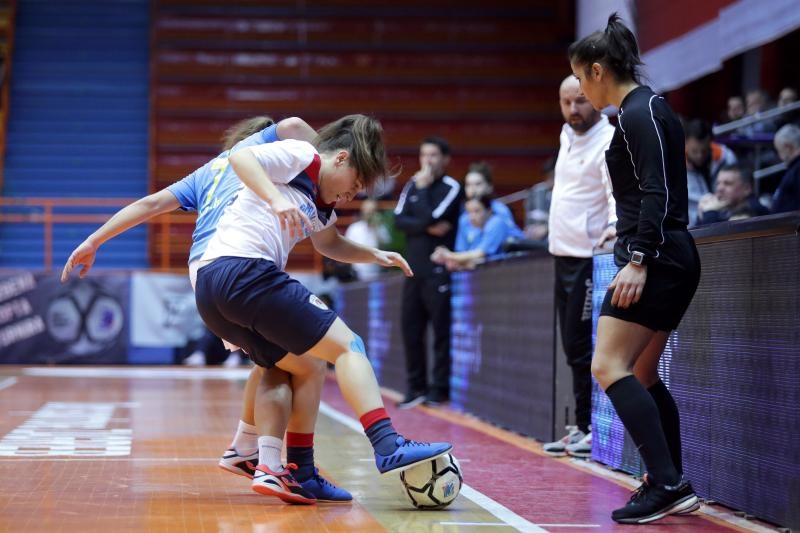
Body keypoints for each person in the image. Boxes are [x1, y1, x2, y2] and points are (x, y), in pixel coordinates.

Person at [61, 116, 357, 503]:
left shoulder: (207, 171)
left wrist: (94, 239)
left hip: (204, 276)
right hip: (237, 266)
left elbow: (151, 203)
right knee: (307, 361)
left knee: (273, 361)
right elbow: (295, 126)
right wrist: (332, 158)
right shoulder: (267, 158)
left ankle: (246, 450)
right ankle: (272, 463)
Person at [193, 114, 453, 501]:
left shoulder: (322, 205)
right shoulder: (304, 155)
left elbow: (329, 245)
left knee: (307, 364)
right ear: (341, 159)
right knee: (350, 347)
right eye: (356, 185)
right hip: (242, 270)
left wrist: (373, 254)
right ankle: (387, 444)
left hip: (213, 294)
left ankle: (301, 470)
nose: (352, 196)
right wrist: (277, 199)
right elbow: (241, 160)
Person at [568, 13, 701, 524]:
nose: (580, 87)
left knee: (607, 366)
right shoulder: (647, 109)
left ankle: (667, 482)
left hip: (659, 256)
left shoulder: (638, 113)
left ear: (598, 70)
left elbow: (656, 190)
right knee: (643, 372)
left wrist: (639, 257)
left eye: (580, 77)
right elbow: (648, 191)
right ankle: (668, 481)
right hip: (667, 251)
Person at [541, 74, 616, 459]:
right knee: (571, 346)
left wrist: (615, 224)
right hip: (562, 254)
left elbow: (614, 190)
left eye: (581, 102)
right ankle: (582, 427)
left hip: (589, 258)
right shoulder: (566, 135)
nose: (573, 110)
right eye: (566, 102)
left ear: (596, 100)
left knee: (583, 347)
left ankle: (590, 429)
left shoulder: (608, 139)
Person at [393, 136, 463, 408]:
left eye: (433, 155)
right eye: (424, 155)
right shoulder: (412, 184)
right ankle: (415, 387)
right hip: (413, 269)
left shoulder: (450, 187)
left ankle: (439, 388)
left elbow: (435, 216)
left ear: (445, 159)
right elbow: (399, 220)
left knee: (440, 331)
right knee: (411, 329)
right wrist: (426, 224)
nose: (428, 161)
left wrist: (421, 198)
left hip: (439, 270)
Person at [430, 193, 515, 270]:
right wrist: (449, 259)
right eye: (469, 212)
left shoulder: (497, 223)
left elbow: (479, 254)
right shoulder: (472, 228)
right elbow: (467, 258)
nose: (472, 216)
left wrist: (448, 255)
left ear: (489, 211)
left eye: (477, 211)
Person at [683, 118, 738, 225]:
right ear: (685, 143)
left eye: (704, 151)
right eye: (694, 151)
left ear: (711, 143)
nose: (699, 156)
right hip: (691, 226)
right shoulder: (673, 164)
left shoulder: (726, 157)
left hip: (726, 216)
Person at [461, 161, 523, 239]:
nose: (473, 189)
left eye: (478, 184)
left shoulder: (500, 211)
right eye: (468, 185)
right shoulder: (464, 215)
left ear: (489, 187)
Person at [695, 164, 768, 225]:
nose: (719, 188)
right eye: (718, 183)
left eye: (727, 183)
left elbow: (715, 238)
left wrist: (709, 212)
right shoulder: (724, 208)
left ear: (747, 188)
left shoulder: (755, 212)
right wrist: (701, 214)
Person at [344, 198, 391, 281]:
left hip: (377, 273)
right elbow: (346, 250)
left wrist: (375, 228)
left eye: (372, 210)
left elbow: (386, 247)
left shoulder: (381, 228)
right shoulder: (354, 228)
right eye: (367, 210)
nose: (369, 213)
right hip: (356, 273)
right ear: (362, 211)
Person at [771, 124, 800, 213]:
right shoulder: (794, 168)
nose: (779, 156)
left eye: (779, 150)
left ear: (788, 147)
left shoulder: (798, 169)